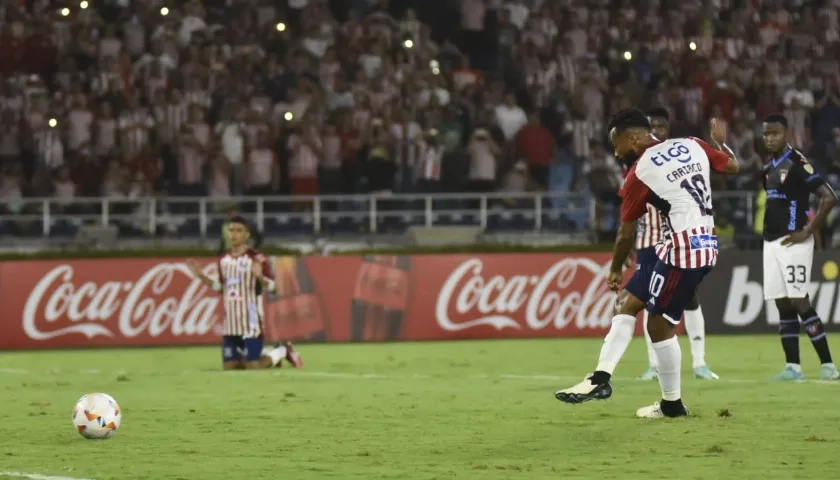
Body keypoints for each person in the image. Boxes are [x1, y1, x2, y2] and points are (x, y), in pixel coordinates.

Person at [555, 109, 739, 418]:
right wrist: (720, 144)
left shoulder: (640, 171)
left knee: (659, 324)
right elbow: (733, 166)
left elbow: (626, 231)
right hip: (702, 243)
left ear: (634, 138)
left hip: (681, 248)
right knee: (628, 303)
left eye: (618, 144)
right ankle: (601, 377)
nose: (616, 152)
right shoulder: (693, 143)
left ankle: (672, 405)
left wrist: (614, 269)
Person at [638, 107, 719, 381]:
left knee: (691, 297)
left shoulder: (678, 157)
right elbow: (627, 212)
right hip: (647, 241)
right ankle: (653, 364)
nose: (656, 132)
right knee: (649, 301)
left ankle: (699, 363)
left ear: (668, 130)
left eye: (660, 127)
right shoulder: (638, 162)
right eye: (651, 127)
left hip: (678, 239)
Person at [760, 114, 839, 381]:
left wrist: (808, 230)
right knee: (782, 303)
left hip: (794, 242)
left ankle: (828, 365)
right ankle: (793, 367)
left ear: (787, 135)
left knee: (799, 299)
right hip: (771, 242)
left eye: (775, 133)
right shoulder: (768, 167)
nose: (770, 138)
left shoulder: (797, 162)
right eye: (766, 134)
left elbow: (829, 196)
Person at [188, 215, 303, 370]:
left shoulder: (257, 258)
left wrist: (260, 277)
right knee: (230, 367)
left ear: (247, 235)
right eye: (231, 230)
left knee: (253, 366)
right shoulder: (223, 260)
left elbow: (273, 287)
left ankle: (281, 350)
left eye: (238, 230)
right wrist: (202, 277)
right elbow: (224, 289)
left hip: (251, 322)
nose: (234, 234)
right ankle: (263, 354)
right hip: (231, 324)